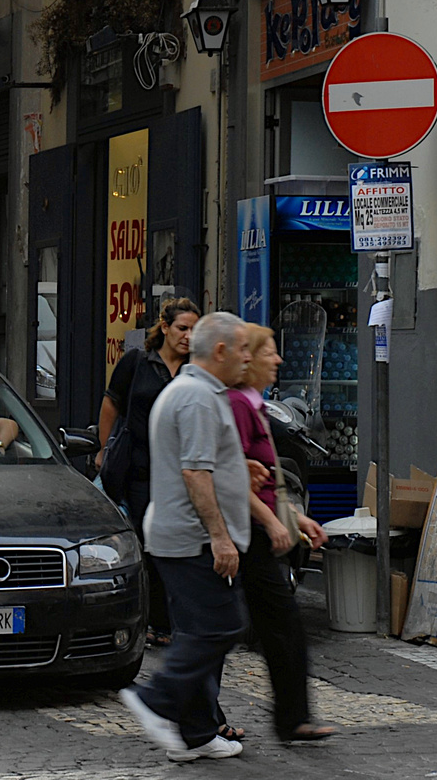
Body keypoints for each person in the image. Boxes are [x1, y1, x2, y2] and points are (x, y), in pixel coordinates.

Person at [119, 311, 252, 763]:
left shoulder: (197, 391)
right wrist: (220, 537)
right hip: (191, 539)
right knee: (220, 626)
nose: (248, 358)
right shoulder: (196, 396)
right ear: (220, 351)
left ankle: (196, 733)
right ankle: (155, 700)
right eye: (243, 349)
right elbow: (195, 473)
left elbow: (202, 463)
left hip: (180, 534)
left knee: (201, 630)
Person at [227, 323, 334, 742]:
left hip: (262, 527)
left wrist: (293, 516)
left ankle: (291, 718)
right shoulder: (238, 404)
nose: (279, 360)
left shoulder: (254, 405)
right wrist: (272, 521)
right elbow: (231, 474)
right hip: (250, 532)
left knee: (277, 627)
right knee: (276, 625)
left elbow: (269, 477)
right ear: (248, 358)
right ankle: (290, 719)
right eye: (270, 352)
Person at [98, 296, 201, 646]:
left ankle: (169, 620)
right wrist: (103, 448)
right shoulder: (139, 362)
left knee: (176, 547)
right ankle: (153, 621)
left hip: (180, 472)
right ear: (166, 328)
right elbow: (111, 402)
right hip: (141, 471)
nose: (187, 336)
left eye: (193, 330)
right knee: (147, 545)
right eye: (182, 328)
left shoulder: (196, 369)